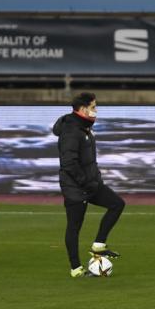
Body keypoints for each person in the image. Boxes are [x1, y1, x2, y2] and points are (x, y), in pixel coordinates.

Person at [53, 92, 125, 278]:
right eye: (93, 107)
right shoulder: (71, 130)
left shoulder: (83, 128)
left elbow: (87, 160)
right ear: (83, 109)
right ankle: (76, 269)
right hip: (76, 188)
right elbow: (69, 163)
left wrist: (95, 179)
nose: (96, 111)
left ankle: (99, 244)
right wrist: (86, 182)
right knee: (74, 227)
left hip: (90, 184)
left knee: (117, 204)